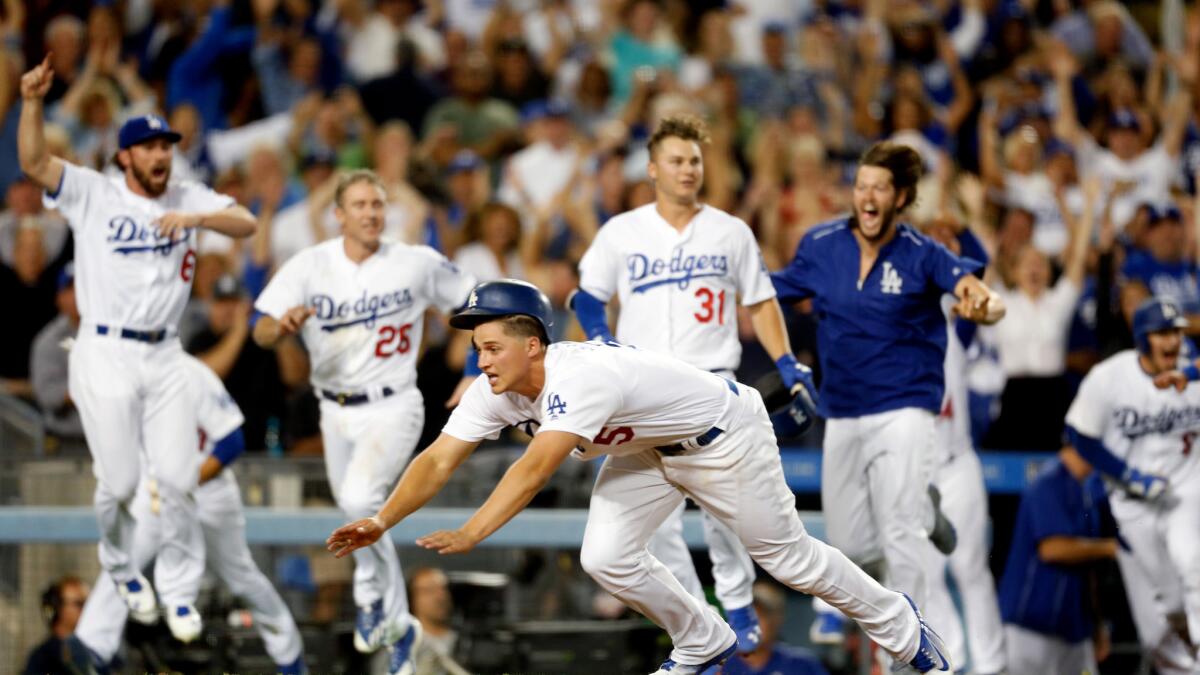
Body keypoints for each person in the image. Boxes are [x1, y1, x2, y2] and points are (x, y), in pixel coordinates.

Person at [326, 279, 953, 674]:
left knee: (791, 562)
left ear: (533, 346)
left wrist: (472, 532)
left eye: (491, 346)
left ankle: (902, 624)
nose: (480, 358)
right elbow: (438, 457)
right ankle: (703, 639)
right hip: (647, 450)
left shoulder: (577, 377)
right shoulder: (499, 388)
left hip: (721, 436)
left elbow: (536, 466)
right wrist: (383, 520)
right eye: (478, 347)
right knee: (605, 556)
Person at [18, 55, 257, 642]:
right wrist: (30, 102)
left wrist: (195, 215)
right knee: (123, 484)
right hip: (104, 349)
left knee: (177, 480)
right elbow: (32, 161)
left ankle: (177, 594)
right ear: (125, 154)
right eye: (148, 147)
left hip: (165, 354)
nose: (160, 155)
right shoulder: (93, 191)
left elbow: (246, 223)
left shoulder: (187, 192)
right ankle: (123, 569)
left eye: (166, 146)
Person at [572, 113, 819, 653]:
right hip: (643, 390)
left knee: (722, 504)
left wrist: (786, 363)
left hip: (712, 381)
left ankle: (736, 599)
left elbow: (761, 301)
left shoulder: (730, 230)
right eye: (678, 160)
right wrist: (597, 335)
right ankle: (699, 614)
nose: (688, 169)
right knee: (653, 524)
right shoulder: (623, 231)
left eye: (695, 161)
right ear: (654, 168)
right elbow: (587, 294)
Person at [253, 169, 477, 675]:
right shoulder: (309, 266)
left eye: (378, 204)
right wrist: (280, 327)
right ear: (339, 214)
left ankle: (382, 608)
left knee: (358, 502)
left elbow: (474, 304)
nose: (371, 213)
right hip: (333, 411)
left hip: (394, 403)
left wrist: (471, 371)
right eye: (360, 205)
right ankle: (386, 610)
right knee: (359, 510)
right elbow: (260, 328)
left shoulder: (414, 262)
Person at [771, 141, 1004, 621]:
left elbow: (976, 292)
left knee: (899, 530)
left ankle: (911, 645)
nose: (868, 196)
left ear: (900, 198)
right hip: (841, 409)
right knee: (851, 543)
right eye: (861, 186)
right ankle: (925, 508)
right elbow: (770, 287)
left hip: (905, 406)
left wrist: (986, 304)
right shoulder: (821, 245)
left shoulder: (922, 253)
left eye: (880, 187)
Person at [70, 353, 305, 674]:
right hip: (155, 495)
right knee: (125, 562)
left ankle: (290, 657)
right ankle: (92, 647)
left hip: (209, 493)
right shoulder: (125, 376)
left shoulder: (192, 374)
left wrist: (182, 483)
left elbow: (231, 442)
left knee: (241, 578)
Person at [1066, 297, 1200, 669]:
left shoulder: (1191, 370)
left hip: (1186, 493)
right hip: (1133, 504)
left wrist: (1190, 375)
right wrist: (1130, 476)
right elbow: (1079, 435)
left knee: (1193, 566)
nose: (1172, 341)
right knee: (1167, 613)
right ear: (1142, 338)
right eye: (1162, 333)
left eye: (1176, 331)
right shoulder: (1110, 376)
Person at [997, 447, 1116, 674]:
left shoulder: (1088, 491)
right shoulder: (1048, 481)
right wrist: (1109, 548)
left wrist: (1098, 624)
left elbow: (1088, 570)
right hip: (1029, 630)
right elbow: (1053, 549)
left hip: (1073, 629)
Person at [29, 262, 85, 443]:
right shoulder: (49, 340)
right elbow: (47, 394)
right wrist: (92, 390)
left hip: (114, 435)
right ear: (59, 297)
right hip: (65, 441)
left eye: (83, 287)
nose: (78, 295)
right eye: (70, 288)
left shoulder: (113, 335)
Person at [723, 582, 829, 675]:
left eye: (758, 618)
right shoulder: (716, 665)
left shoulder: (802, 665)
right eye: (742, 620)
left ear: (776, 620)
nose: (748, 627)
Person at [22, 576, 89, 675]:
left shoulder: (93, 650)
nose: (87, 610)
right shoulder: (43, 658)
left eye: (88, 604)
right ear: (59, 608)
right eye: (79, 604)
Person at [408, 567, 469, 675]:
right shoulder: (401, 643)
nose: (440, 597)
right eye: (429, 591)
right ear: (413, 597)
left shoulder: (467, 642)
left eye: (443, 589)